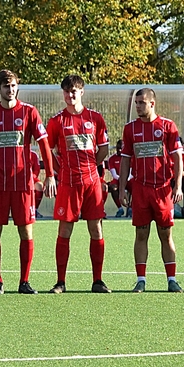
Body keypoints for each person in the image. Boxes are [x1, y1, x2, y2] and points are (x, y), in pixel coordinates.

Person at [0, 70, 56, 294]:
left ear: (17, 87)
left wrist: (50, 175)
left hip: (22, 183)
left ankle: (24, 282)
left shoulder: (29, 111)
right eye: (5, 86)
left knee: (26, 232)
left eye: (13, 86)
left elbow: (43, 144)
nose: (10, 90)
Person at [46, 74, 110, 293]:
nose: (70, 95)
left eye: (73, 91)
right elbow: (47, 150)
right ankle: (60, 282)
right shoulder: (57, 121)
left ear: (82, 92)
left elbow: (104, 148)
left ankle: (98, 281)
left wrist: (92, 166)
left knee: (96, 229)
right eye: (66, 91)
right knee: (65, 229)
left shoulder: (95, 118)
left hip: (92, 182)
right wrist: (59, 170)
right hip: (68, 183)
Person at [118, 88, 184, 293]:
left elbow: (177, 157)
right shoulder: (130, 129)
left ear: (152, 103)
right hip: (140, 189)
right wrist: (122, 188)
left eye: (142, 102)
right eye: (136, 103)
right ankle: (141, 280)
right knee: (141, 233)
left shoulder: (167, 126)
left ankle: (172, 280)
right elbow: (125, 160)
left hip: (163, 189)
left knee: (166, 234)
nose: (138, 106)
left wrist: (178, 185)